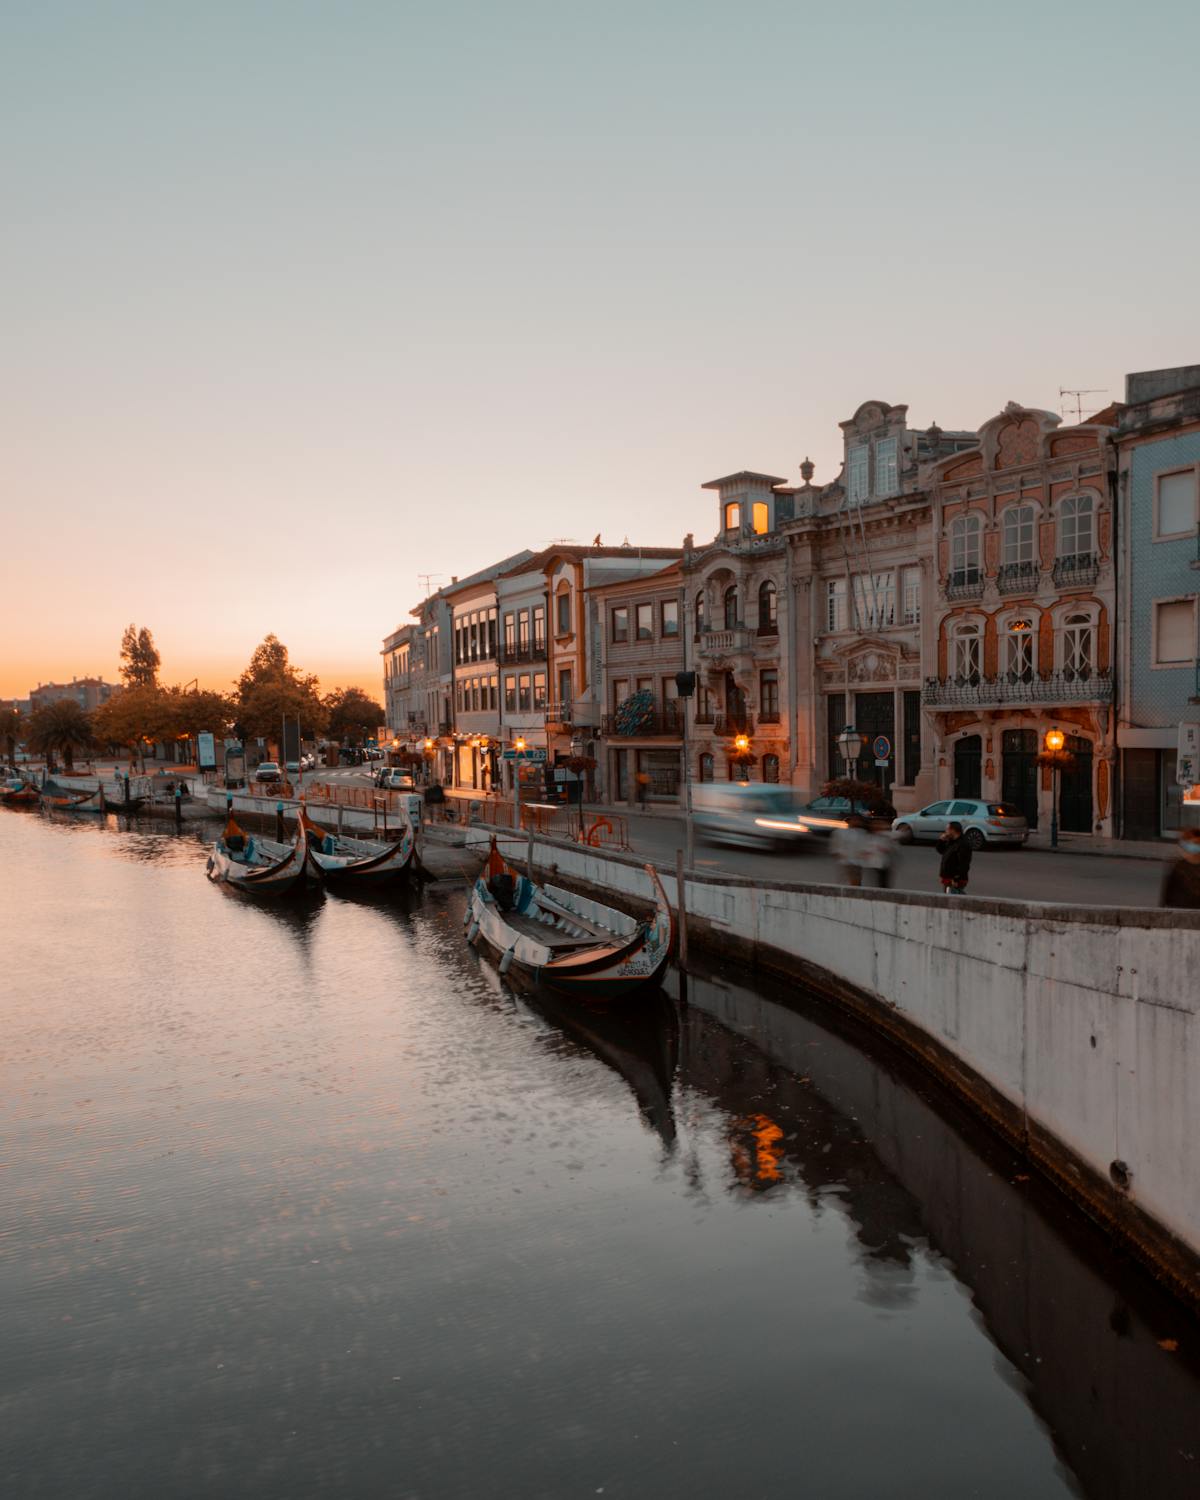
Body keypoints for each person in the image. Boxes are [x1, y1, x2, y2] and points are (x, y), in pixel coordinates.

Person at [1161, 828, 1200, 908]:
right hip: (1179, 910)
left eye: (1197, 843)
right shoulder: (1178, 866)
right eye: (1190, 843)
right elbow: (1168, 892)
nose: (1193, 847)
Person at [832, 814, 870, 888]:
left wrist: (864, 855)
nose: (856, 822)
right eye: (854, 820)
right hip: (846, 860)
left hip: (858, 860)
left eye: (858, 820)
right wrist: (839, 855)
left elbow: (865, 846)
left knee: (856, 879)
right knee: (848, 879)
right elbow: (835, 846)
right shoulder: (840, 832)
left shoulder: (862, 833)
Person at [936, 821, 972, 895]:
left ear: (953, 830)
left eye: (947, 829)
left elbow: (964, 864)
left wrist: (956, 879)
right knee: (949, 897)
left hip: (955, 879)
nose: (945, 832)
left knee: (952, 899)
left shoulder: (963, 844)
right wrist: (941, 841)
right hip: (948, 877)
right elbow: (941, 851)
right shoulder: (951, 841)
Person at [863, 816, 898, 889]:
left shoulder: (886, 835)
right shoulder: (871, 837)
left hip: (884, 863)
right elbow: (867, 849)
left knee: (883, 881)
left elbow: (892, 846)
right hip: (875, 864)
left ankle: (883, 892)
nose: (877, 828)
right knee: (878, 881)